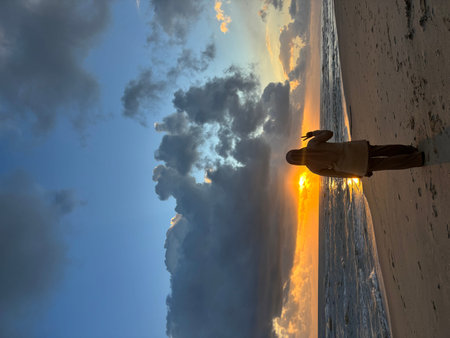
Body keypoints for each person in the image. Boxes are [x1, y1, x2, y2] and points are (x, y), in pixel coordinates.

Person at [285, 130, 425, 178]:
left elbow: (338, 174)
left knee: (389, 164)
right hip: (357, 149)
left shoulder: (313, 169)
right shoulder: (312, 144)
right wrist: (312, 134)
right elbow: (329, 133)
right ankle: (411, 149)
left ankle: (417, 159)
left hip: (358, 165)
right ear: (296, 150)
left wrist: (358, 174)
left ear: (297, 164)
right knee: (386, 149)